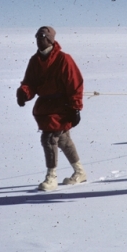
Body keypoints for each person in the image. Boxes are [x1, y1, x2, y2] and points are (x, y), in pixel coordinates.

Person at [17, 26, 87, 191]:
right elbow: (30, 83)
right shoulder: (35, 61)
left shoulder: (64, 59)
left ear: (50, 39)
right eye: (37, 37)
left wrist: (75, 108)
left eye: (42, 37)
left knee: (49, 139)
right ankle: (80, 172)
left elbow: (75, 84)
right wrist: (23, 93)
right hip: (44, 106)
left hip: (62, 106)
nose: (39, 40)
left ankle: (51, 177)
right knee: (63, 140)